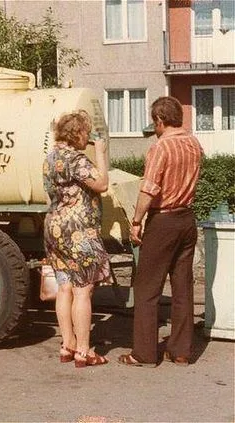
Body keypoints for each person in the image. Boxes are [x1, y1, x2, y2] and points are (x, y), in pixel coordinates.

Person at [118, 96, 203, 367]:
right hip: (187, 218)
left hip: (163, 220)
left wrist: (136, 221)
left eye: (154, 122)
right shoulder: (193, 143)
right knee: (183, 287)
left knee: (147, 287)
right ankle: (181, 351)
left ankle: (143, 353)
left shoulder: (161, 147)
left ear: (160, 120)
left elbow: (149, 189)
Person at [43, 110, 111, 368]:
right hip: (78, 230)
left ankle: (67, 344)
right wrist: (101, 154)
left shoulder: (50, 158)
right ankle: (83, 350)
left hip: (54, 227)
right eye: (86, 132)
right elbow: (101, 184)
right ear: (78, 133)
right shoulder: (76, 159)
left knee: (64, 287)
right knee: (83, 290)